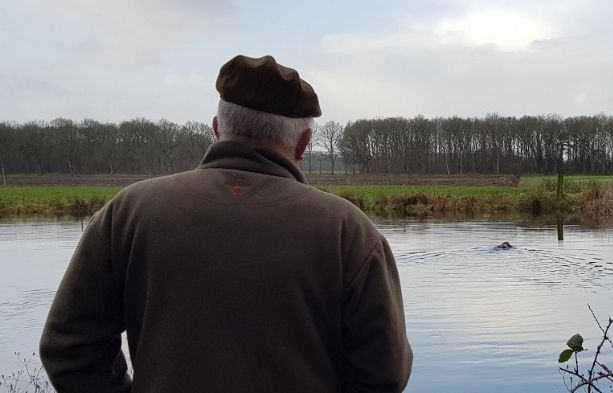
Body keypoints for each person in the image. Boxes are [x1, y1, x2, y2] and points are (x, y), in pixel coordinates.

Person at [39, 55, 413, 392]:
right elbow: (384, 375)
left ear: (217, 126)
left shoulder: (129, 213)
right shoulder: (349, 232)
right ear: (304, 144)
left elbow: (69, 348)